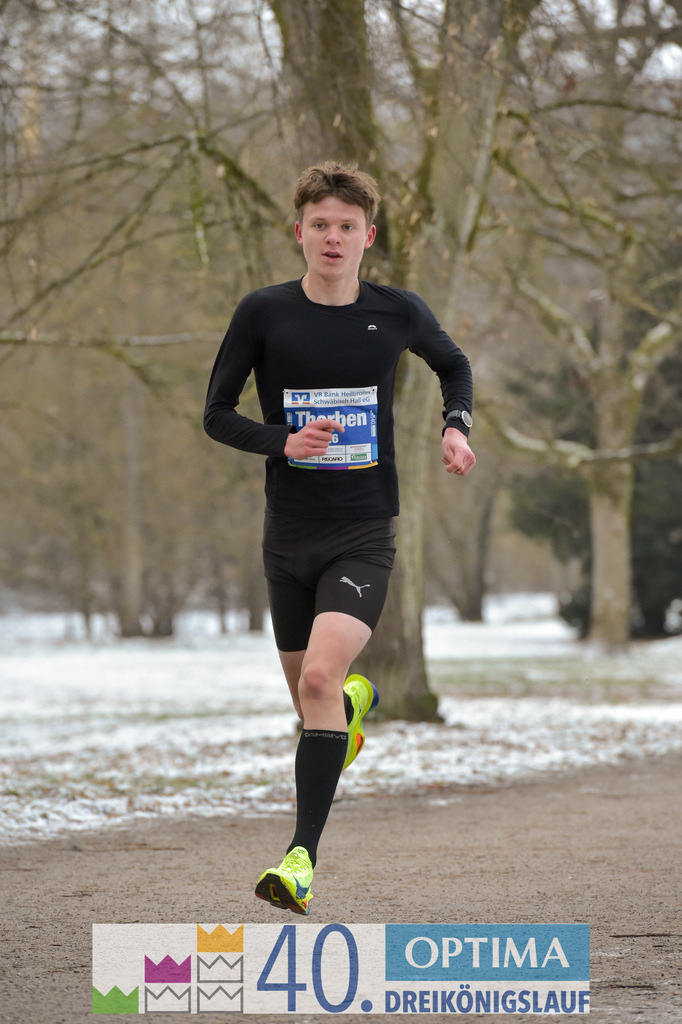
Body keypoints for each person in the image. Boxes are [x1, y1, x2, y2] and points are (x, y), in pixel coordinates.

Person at [204, 160, 475, 915]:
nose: (332, 237)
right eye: (319, 224)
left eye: (346, 226)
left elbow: (454, 366)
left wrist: (456, 428)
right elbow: (216, 412)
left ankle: (300, 861)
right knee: (312, 703)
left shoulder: (396, 311)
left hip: (362, 531)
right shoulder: (263, 312)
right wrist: (282, 441)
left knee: (317, 683)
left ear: (368, 237)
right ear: (299, 234)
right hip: (287, 536)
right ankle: (352, 708)